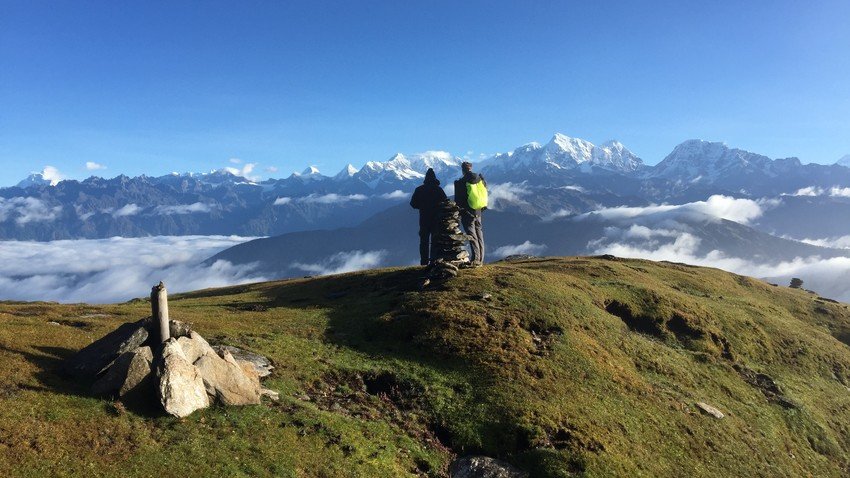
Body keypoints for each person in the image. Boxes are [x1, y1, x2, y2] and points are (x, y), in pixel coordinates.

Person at [410, 168, 448, 265]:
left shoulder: (419, 189)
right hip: (436, 219)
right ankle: (434, 260)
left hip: (424, 219)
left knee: (424, 242)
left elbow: (413, 204)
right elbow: (446, 203)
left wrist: (422, 206)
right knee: (435, 241)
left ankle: (424, 261)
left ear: (425, 178)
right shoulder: (439, 190)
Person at [454, 161, 487, 266]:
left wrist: (459, 213)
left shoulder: (461, 182)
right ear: (471, 168)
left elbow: (458, 200)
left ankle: (476, 260)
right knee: (479, 235)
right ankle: (480, 259)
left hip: (468, 213)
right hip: (478, 210)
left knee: (472, 236)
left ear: (463, 170)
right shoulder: (479, 179)